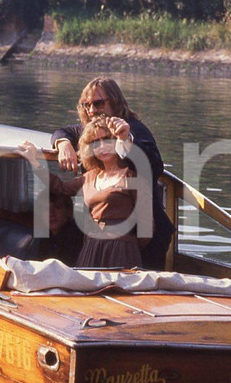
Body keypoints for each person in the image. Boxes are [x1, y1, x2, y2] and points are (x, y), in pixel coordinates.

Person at [50, 77, 175, 269]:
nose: (92, 110)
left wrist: (126, 140)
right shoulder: (94, 128)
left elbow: (154, 166)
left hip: (144, 237)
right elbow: (62, 131)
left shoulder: (136, 129)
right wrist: (63, 144)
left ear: (115, 102)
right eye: (86, 105)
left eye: (98, 103)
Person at [21, 116, 151, 269]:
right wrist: (34, 162)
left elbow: (146, 226)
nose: (102, 146)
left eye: (106, 139)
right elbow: (60, 187)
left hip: (121, 250)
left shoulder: (132, 177)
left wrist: (127, 245)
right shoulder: (90, 177)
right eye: (95, 142)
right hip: (91, 247)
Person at [34, 192, 84, 266]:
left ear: (69, 211)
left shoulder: (76, 237)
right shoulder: (45, 236)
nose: (51, 214)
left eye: (57, 207)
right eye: (45, 209)